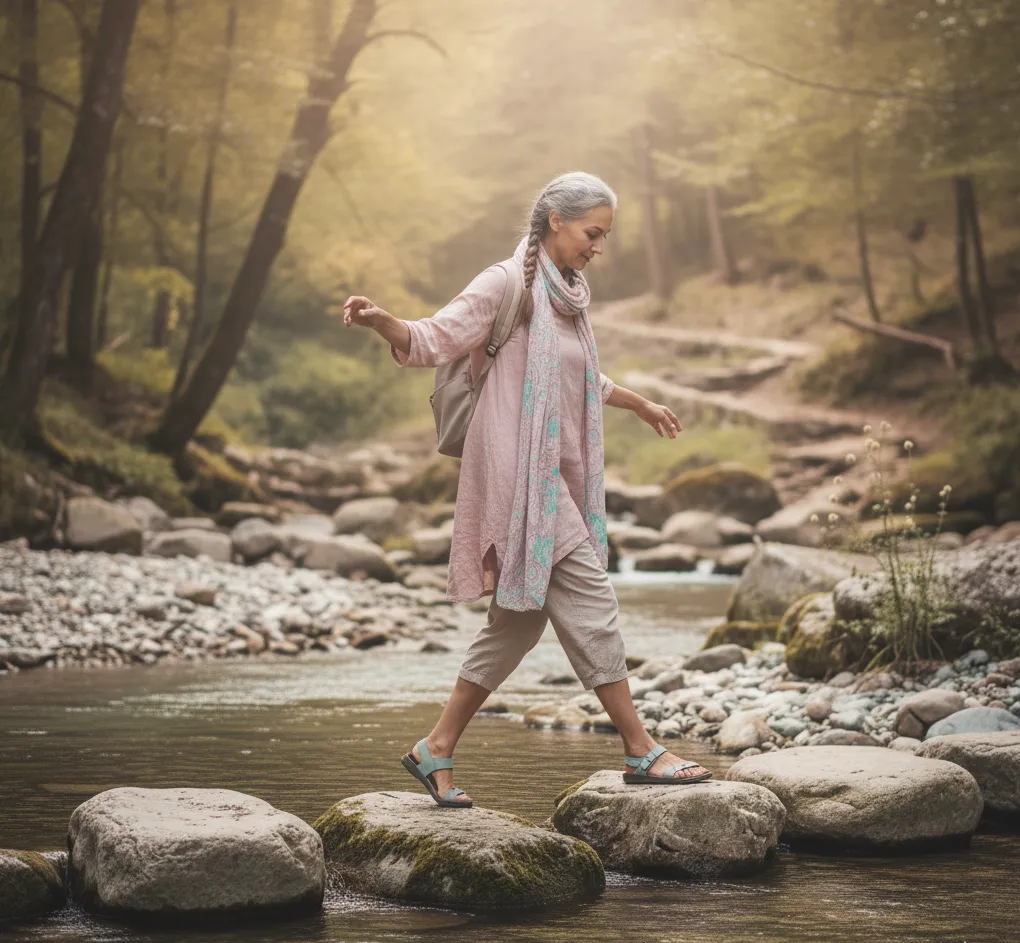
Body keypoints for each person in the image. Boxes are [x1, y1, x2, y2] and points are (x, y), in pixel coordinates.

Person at [342, 171, 711, 808]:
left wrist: (638, 402)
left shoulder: (568, 297)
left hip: (554, 477)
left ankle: (436, 749)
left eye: (605, 236)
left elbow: (582, 379)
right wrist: (383, 322)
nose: (598, 246)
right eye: (593, 233)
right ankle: (641, 751)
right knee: (593, 600)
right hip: (520, 478)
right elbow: (434, 337)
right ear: (555, 222)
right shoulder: (505, 284)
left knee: (517, 622)